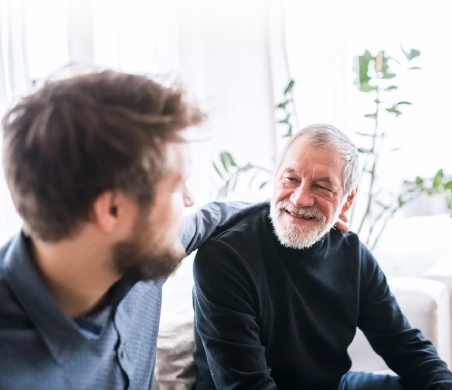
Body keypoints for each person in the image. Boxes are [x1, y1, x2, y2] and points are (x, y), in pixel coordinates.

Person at [0, 70, 333, 390]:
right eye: (176, 186)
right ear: (112, 210)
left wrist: (301, 212)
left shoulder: (132, 245)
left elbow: (211, 216)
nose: (188, 200)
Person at [193, 124, 452, 390]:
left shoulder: (354, 256)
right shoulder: (224, 258)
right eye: (291, 178)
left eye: (322, 186)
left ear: (347, 200)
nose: (300, 198)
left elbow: (405, 346)